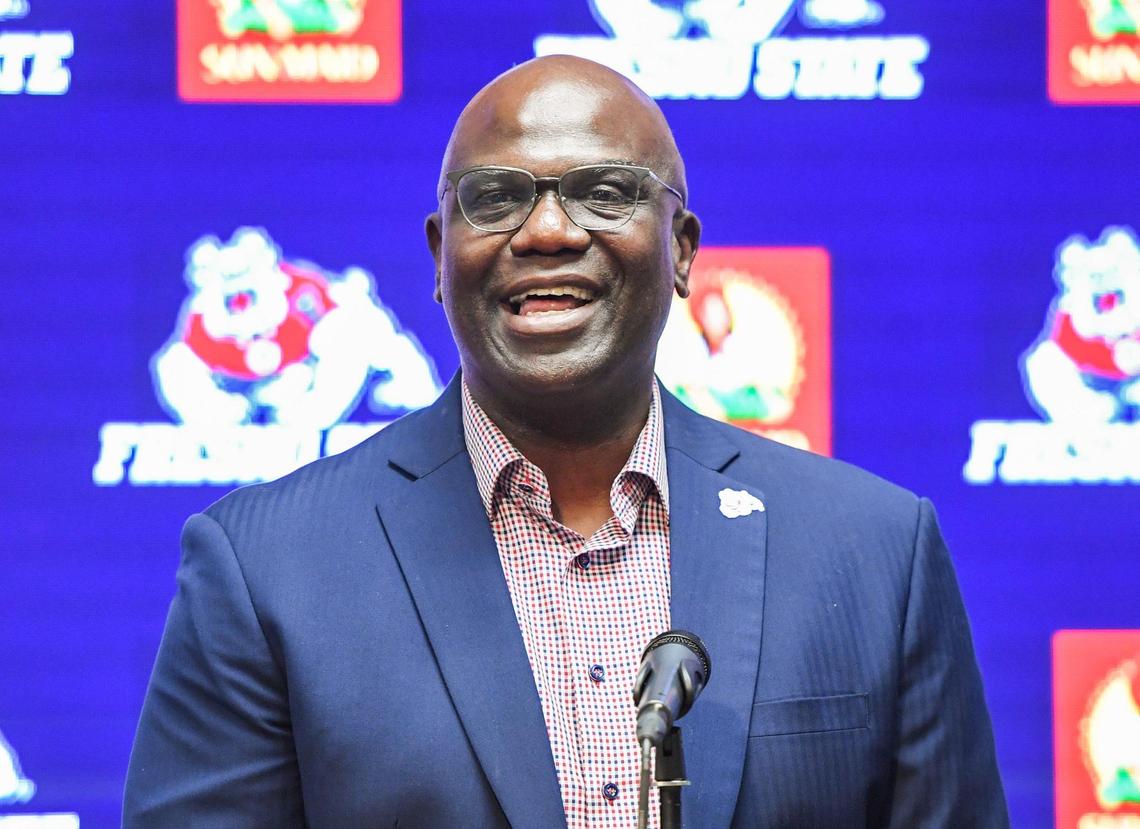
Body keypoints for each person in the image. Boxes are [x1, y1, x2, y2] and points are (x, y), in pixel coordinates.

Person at [123, 55, 1009, 828]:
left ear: (682, 250)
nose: (547, 231)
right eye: (496, 198)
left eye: (605, 191)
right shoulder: (265, 568)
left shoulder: (874, 554)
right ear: (440, 256)